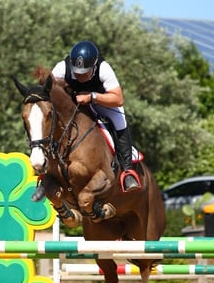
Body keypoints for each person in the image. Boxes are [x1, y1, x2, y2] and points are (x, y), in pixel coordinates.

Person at [31, 40, 141, 201]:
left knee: (119, 120)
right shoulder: (62, 68)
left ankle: (127, 171)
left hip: (103, 102)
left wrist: (92, 97)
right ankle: (47, 176)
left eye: (85, 72)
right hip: (74, 103)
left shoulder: (104, 68)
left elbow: (118, 99)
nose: (80, 75)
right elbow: (48, 92)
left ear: (94, 65)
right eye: (78, 72)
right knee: (53, 125)